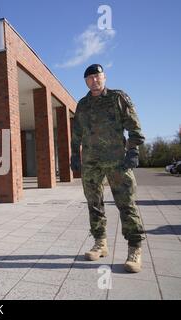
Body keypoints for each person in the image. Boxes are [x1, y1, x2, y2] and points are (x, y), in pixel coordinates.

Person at [71, 64, 146, 273]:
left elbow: (134, 127)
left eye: (97, 76)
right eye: (90, 78)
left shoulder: (118, 98)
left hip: (117, 160)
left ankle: (134, 249)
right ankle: (100, 243)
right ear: (85, 81)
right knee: (94, 203)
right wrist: (74, 154)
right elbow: (76, 133)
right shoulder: (82, 105)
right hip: (91, 162)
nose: (94, 80)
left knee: (126, 203)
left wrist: (133, 150)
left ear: (104, 77)